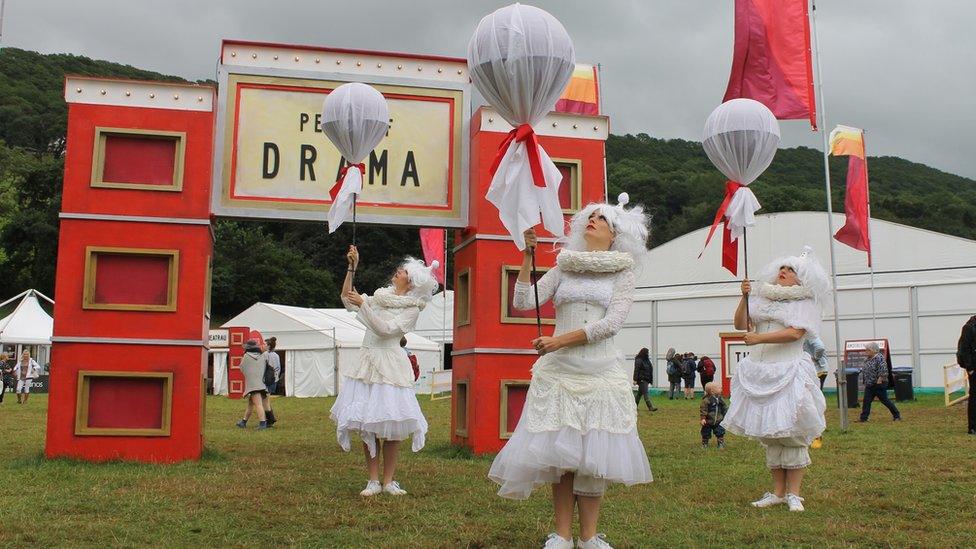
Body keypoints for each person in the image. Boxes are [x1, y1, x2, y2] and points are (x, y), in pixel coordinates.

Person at [488, 194, 653, 549]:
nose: (592, 220)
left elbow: (612, 323)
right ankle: (562, 535)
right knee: (560, 457)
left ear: (615, 235)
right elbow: (523, 302)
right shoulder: (565, 266)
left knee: (594, 457)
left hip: (600, 373)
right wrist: (526, 256)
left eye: (601, 219)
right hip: (559, 374)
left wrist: (560, 340)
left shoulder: (623, 272)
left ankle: (589, 536)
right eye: (589, 216)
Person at [723, 246, 828, 513]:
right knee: (771, 433)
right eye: (782, 268)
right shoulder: (763, 298)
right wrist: (743, 298)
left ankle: (795, 493)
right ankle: (778, 492)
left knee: (790, 432)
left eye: (791, 270)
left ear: (801, 278)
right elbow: (741, 324)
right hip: (760, 370)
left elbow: (794, 334)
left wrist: (759, 338)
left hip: (787, 369)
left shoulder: (805, 303)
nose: (784, 272)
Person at [330, 248, 437, 497]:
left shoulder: (412, 308)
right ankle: (373, 480)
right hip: (368, 362)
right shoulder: (380, 297)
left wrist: (364, 306)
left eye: (403, 271)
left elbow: (387, 331)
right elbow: (347, 298)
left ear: (411, 283)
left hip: (391, 366)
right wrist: (352, 268)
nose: (398, 271)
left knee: (392, 424)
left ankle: (388, 481)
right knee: (368, 424)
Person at [858, 342, 900, 423]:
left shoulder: (879, 358)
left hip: (879, 384)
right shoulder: (868, 358)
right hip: (869, 384)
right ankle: (863, 418)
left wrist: (880, 380)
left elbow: (883, 369)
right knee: (866, 401)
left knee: (885, 400)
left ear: (873, 350)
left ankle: (897, 415)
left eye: (868, 350)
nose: (866, 351)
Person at [235, 338, 269, 429]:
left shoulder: (246, 356)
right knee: (251, 404)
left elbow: (242, 368)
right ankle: (243, 422)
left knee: (258, 404)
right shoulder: (262, 356)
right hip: (261, 383)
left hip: (253, 385)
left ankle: (262, 423)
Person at [956, 315, 976, 435]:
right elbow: (964, 348)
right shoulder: (969, 327)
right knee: (974, 397)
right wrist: (970, 368)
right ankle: (972, 427)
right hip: (974, 367)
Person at [700, 381, 727, 449]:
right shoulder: (706, 400)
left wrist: (726, 414)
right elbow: (703, 410)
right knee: (705, 432)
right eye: (719, 388)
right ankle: (704, 443)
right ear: (712, 391)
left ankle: (720, 442)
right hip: (708, 421)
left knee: (720, 431)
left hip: (718, 420)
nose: (721, 389)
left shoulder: (720, 399)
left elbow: (724, 407)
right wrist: (703, 418)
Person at [633, 347, 657, 412]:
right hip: (642, 379)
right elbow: (636, 370)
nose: (647, 354)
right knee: (645, 393)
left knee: (639, 394)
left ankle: (633, 406)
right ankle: (650, 407)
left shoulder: (646, 359)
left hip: (646, 378)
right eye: (647, 352)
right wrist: (635, 379)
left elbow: (650, 368)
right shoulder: (639, 360)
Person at [264, 337, 280, 427]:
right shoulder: (276, 356)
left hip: (266, 380)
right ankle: (270, 419)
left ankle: (270, 420)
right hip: (274, 380)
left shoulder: (266, 355)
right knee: (266, 400)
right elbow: (278, 369)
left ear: (268, 345)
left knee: (265, 401)